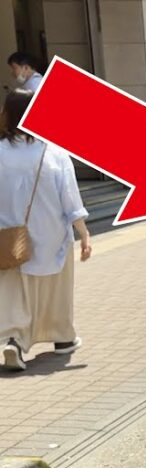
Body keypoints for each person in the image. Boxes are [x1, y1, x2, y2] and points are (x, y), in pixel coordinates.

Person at [0, 90, 92, 371]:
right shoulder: (54, 152)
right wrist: (84, 234)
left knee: (15, 291)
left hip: (9, 238)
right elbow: (70, 199)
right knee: (55, 289)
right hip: (52, 236)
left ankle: (14, 340)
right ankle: (62, 338)